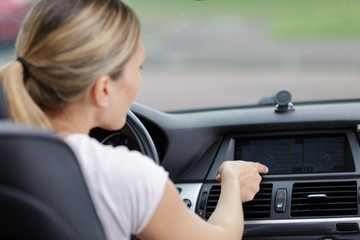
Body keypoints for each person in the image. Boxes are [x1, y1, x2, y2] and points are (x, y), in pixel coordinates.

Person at [0, 0, 268, 239]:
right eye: (137, 68)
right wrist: (233, 182)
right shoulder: (125, 175)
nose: (138, 80)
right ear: (104, 89)